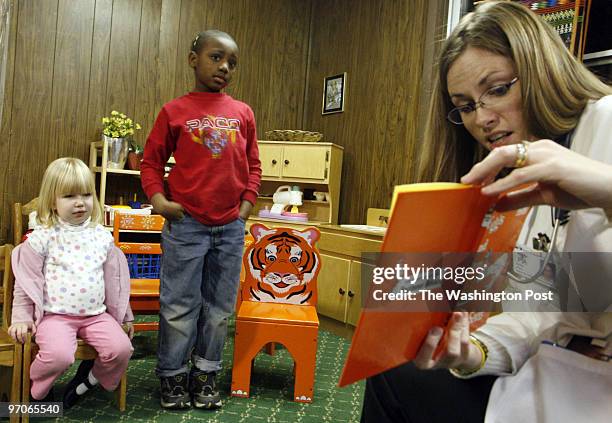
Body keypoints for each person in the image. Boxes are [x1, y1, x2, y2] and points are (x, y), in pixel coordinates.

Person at [361, 2, 612, 422]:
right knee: (395, 372)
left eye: (497, 89)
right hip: (560, 375)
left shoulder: (604, 121)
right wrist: (470, 352)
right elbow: (536, 320)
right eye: (465, 106)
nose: (483, 119)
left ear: (539, 69)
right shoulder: (515, 178)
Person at [140, 29, 261, 410]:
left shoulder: (243, 113)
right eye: (215, 57)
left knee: (219, 309)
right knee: (178, 306)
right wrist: (160, 202)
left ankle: (205, 375)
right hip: (186, 225)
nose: (224, 67)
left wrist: (245, 206)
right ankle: (173, 377)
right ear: (193, 60)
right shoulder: (174, 111)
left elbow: (254, 165)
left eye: (232, 62)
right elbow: (151, 162)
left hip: (229, 227)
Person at [8, 157, 134, 409]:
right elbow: (25, 282)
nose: (80, 202)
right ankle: (38, 391)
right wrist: (21, 317)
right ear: (52, 202)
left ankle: (87, 381)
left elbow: (116, 282)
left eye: (87, 194)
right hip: (55, 316)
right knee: (58, 356)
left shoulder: (101, 236)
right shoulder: (42, 237)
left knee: (121, 349)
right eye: (69, 196)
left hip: (96, 316)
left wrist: (125, 315)